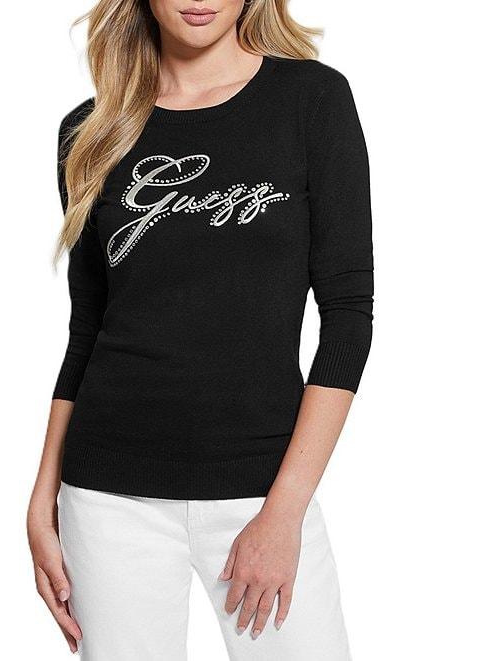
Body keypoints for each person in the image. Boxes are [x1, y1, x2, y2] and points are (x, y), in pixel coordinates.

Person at [27, 0, 374, 658]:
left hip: (262, 487)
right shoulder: (91, 130)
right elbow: (88, 327)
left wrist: (284, 511)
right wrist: (43, 497)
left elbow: (348, 318)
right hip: (107, 496)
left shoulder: (312, 100)